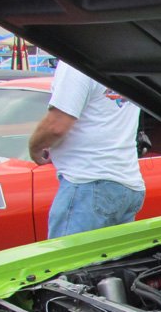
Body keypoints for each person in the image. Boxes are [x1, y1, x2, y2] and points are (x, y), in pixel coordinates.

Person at [28, 62, 145, 238]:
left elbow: (56, 126)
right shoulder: (124, 61)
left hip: (88, 183)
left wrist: (34, 148)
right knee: (110, 257)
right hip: (128, 184)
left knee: (68, 255)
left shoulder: (74, 64)